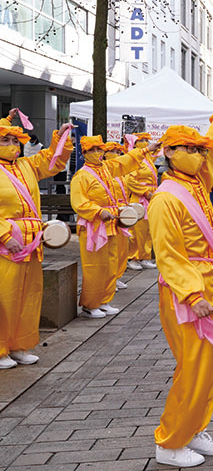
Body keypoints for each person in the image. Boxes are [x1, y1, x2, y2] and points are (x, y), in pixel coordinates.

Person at [147, 78, 213, 467]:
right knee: (192, 368)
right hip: (188, 296)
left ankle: (194, 429)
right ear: (168, 153)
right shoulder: (166, 197)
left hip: (207, 290)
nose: (199, 155)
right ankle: (169, 442)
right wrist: (192, 294)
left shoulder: (197, 182)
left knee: (206, 367)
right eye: (188, 149)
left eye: (198, 150)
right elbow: (167, 255)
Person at [0, 114, 73, 370]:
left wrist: (62, 136)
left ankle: (20, 345)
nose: (11, 144)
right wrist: (5, 236)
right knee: (3, 298)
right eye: (4, 140)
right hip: (5, 245)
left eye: (14, 140)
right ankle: (0, 349)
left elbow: (53, 160)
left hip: (31, 242)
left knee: (28, 297)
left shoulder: (26, 165)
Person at [71, 135, 157, 318]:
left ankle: (104, 300)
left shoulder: (107, 168)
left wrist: (147, 150)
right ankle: (90, 304)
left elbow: (124, 161)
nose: (96, 153)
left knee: (110, 264)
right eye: (91, 150)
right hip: (94, 225)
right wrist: (97, 211)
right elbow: (79, 201)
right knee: (95, 266)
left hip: (111, 223)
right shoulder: (82, 175)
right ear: (84, 153)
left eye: (98, 149)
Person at [125, 132, 159, 271]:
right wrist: (145, 192)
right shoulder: (134, 158)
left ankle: (144, 256)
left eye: (146, 140)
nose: (145, 142)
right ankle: (132, 257)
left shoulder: (148, 158)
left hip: (150, 196)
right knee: (137, 230)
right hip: (140, 197)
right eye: (141, 140)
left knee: (148, 230)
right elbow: (129, 180)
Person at [102, 142, 134, 292]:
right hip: (111, 214)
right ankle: (109, 279)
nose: (115, 153)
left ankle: (118, 276)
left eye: (117, 151)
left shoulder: (120, 174)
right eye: (111, 151)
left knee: (122, 248)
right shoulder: (103, 171)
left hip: (122, 213)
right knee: (112, 251)